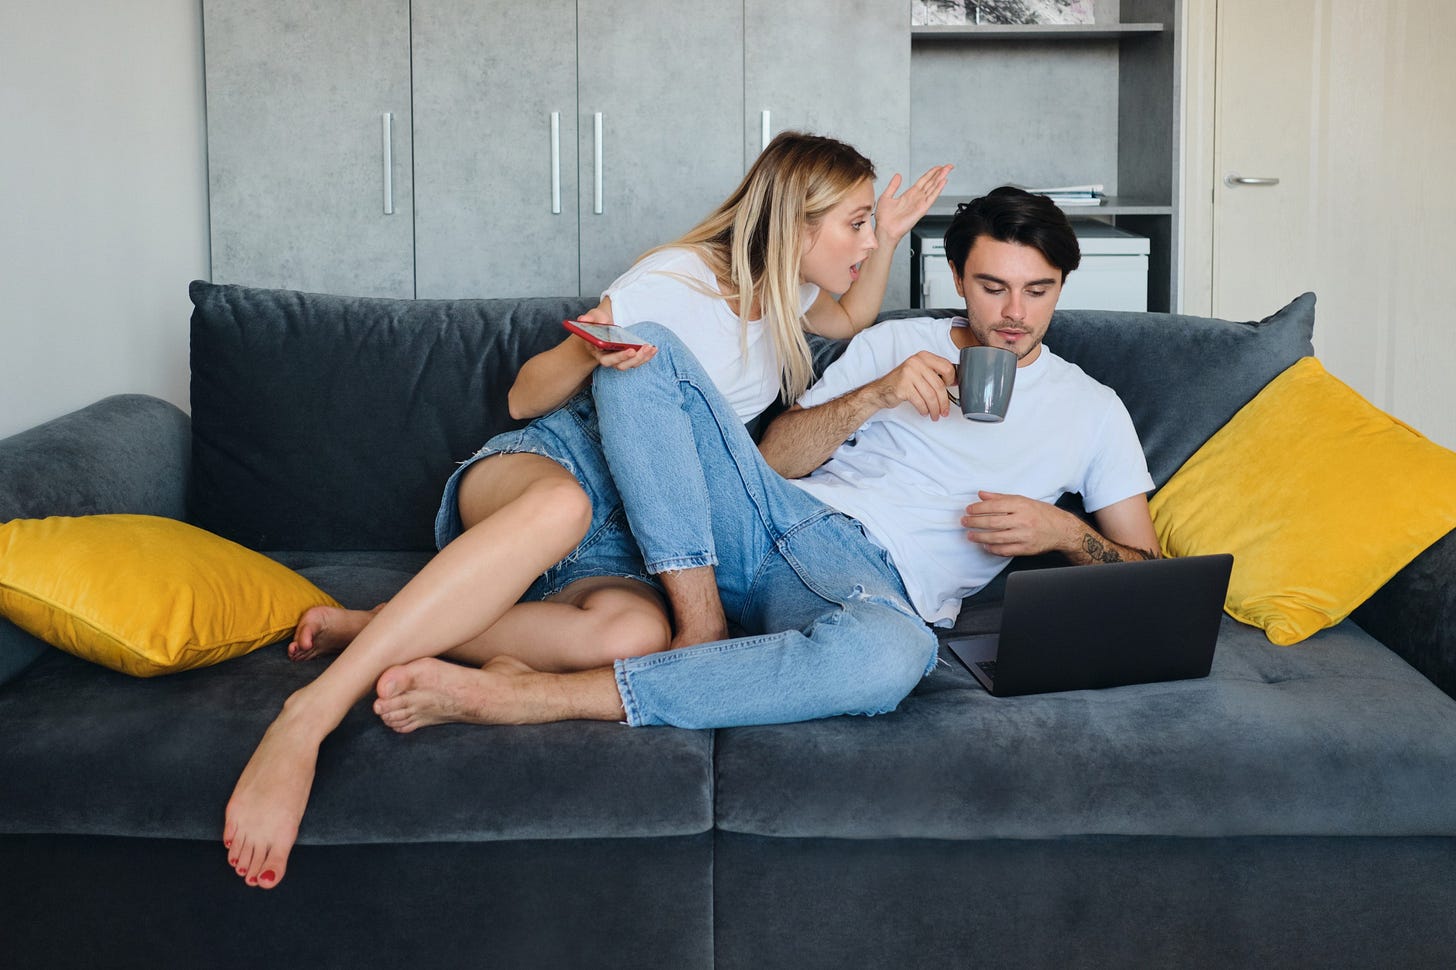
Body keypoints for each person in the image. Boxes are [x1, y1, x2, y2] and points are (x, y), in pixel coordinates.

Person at [223, 131, 952, 890]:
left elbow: (848, 318)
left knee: (636, 633)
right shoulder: (675, 281)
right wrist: (590, 344)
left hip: (637, 530)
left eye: (871, 223)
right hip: (559, 464)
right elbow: (522, 396)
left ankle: (380, 625)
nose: (866, 240)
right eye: (856, 223)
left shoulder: (782, 291)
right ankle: (309, 716)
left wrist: (890, 238)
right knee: (567, 499)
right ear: (797, 224)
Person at [363, 185, 1158, 735]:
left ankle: (537, 697)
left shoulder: (1093, 409)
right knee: (652, 352)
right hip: (767, 520)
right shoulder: (894, 342)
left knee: (897, 657)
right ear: (955, 277)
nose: (1014, 315)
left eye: (1038, 290)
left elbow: (1147, 573)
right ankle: (700, 619)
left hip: (873, 589)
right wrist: (872, 396)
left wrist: (1062, 531)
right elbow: (774, 454)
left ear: (1063, 287)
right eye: (992, 287)